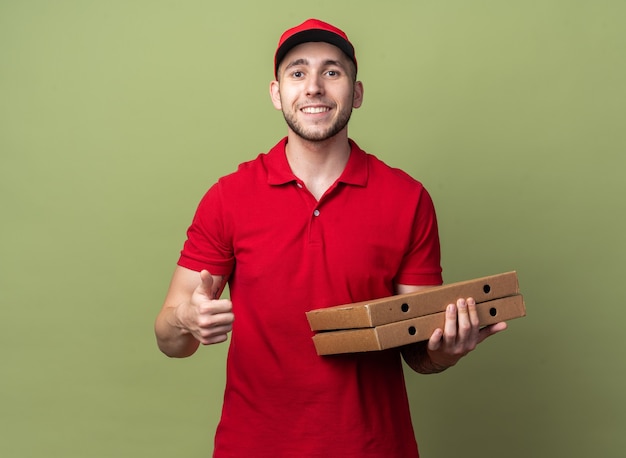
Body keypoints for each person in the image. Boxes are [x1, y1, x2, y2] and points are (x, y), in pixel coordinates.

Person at [155, 18, 507, 457]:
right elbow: (170, 340)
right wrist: (186, 319)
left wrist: (448, 349)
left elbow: (418, 350)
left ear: (356, 94)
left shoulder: (407, 198)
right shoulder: (227, 197)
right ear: (276, 93)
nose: (314, 87)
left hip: (375, 447)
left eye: (332, 72)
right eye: (298, 73)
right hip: (252, 446)